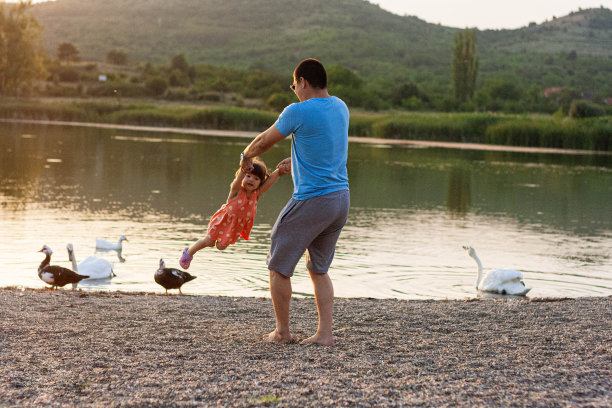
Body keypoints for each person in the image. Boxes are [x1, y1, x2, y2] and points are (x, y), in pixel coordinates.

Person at [240, 58, 350, 346]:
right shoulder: (341, 107)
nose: (295, 92)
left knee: (277, 265)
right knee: (319, 269)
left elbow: (264, 141)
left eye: (294, 86)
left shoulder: (298, 111)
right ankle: (325, 334)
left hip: (313, 199)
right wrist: (299, 160)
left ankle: (282, 332)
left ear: (302, 81)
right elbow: (323, 146)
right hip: (340, 199)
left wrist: (246, 156)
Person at [179, 158, 290, 269]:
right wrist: (243, 169)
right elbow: (237, 181)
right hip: (223, 220)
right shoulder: (236, 191)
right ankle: (188, 253)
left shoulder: (256, 194)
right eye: (248, 176)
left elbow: (269, 182)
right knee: (209, 241)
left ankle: (212, 243)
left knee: (221, 246)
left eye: (256, 178)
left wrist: (279, 172)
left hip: (235, 226)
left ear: (260, 183)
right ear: (243, 177)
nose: (251, 180)